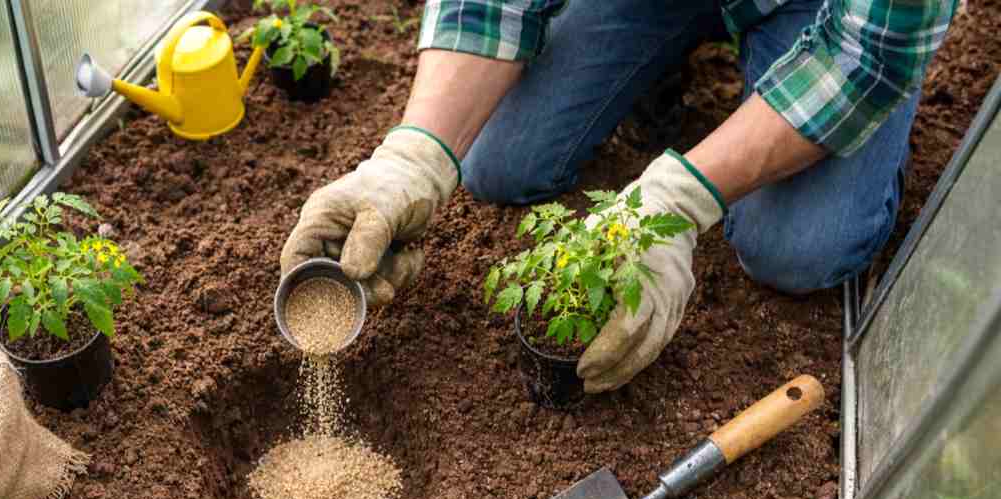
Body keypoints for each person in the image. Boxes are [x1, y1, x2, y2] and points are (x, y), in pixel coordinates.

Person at [279, 0, 956, 392]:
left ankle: (867, 147)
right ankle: (661, 72)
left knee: (800, 248)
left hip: (828, 18)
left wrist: (678, 199)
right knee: (499, 163)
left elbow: (861, 60)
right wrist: (413, 157)